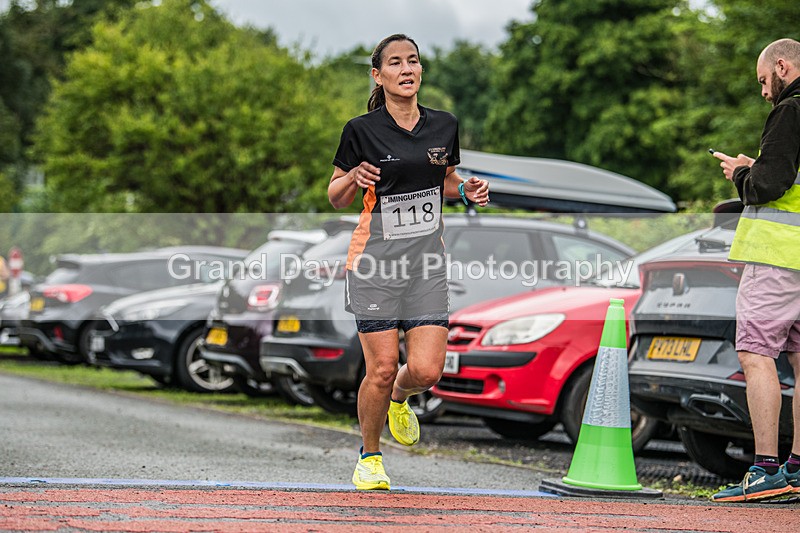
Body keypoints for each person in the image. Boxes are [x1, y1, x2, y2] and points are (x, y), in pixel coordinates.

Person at [327, 33, 489, 490]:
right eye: (395, 63)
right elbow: (335, 196)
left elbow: (447, 181)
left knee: (425, 371)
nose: (406, 69)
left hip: (426, 265)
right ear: (378, 75)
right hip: (374, 264)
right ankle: (370, 457)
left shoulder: (443, 125)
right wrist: (354, 177)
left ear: (421, 71)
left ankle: (401, 395)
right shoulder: (361, 130)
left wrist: (469, 190)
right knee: (379, 367)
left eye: (413, 61)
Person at [711, 38, 800, 502]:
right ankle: (798, 471)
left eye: (765, 80)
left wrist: (743, 174)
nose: (765, 91)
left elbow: (768, 185)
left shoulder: (791, 110)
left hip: (778, 256)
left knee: (756, 354)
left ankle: (766, 470)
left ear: (782, 67)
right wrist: (758, 165)